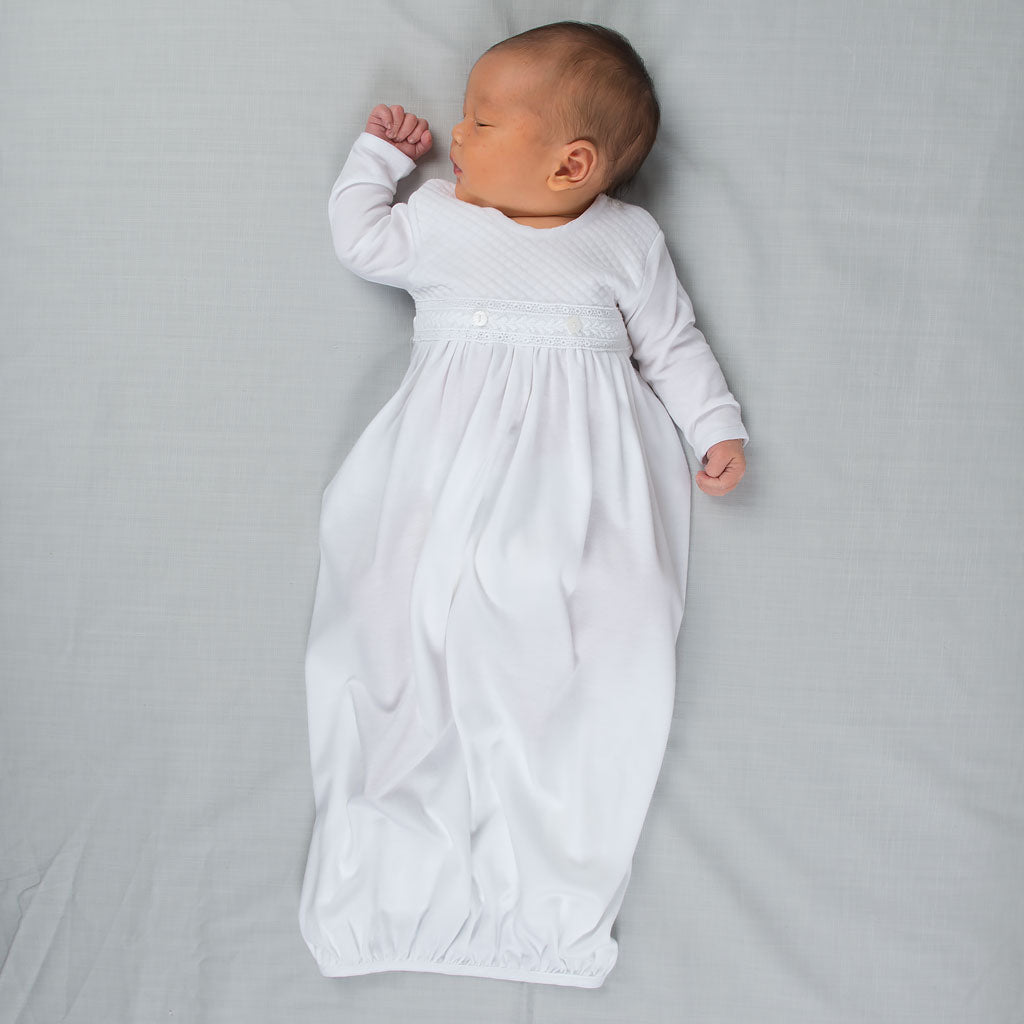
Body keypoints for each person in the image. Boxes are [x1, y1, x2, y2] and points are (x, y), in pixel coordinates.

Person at [298, 21, 750, 989]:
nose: (458, 136)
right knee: (403, 638)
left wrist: (714, 424)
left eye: (483, 120)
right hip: (440, 471)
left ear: (570, 163)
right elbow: (359, 237)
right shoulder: (438, 216)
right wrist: (376, 157)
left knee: (588, 659)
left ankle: (548, 907)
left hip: (582, 490)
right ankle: (383, 889)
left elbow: (671, 343)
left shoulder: (626, 241)